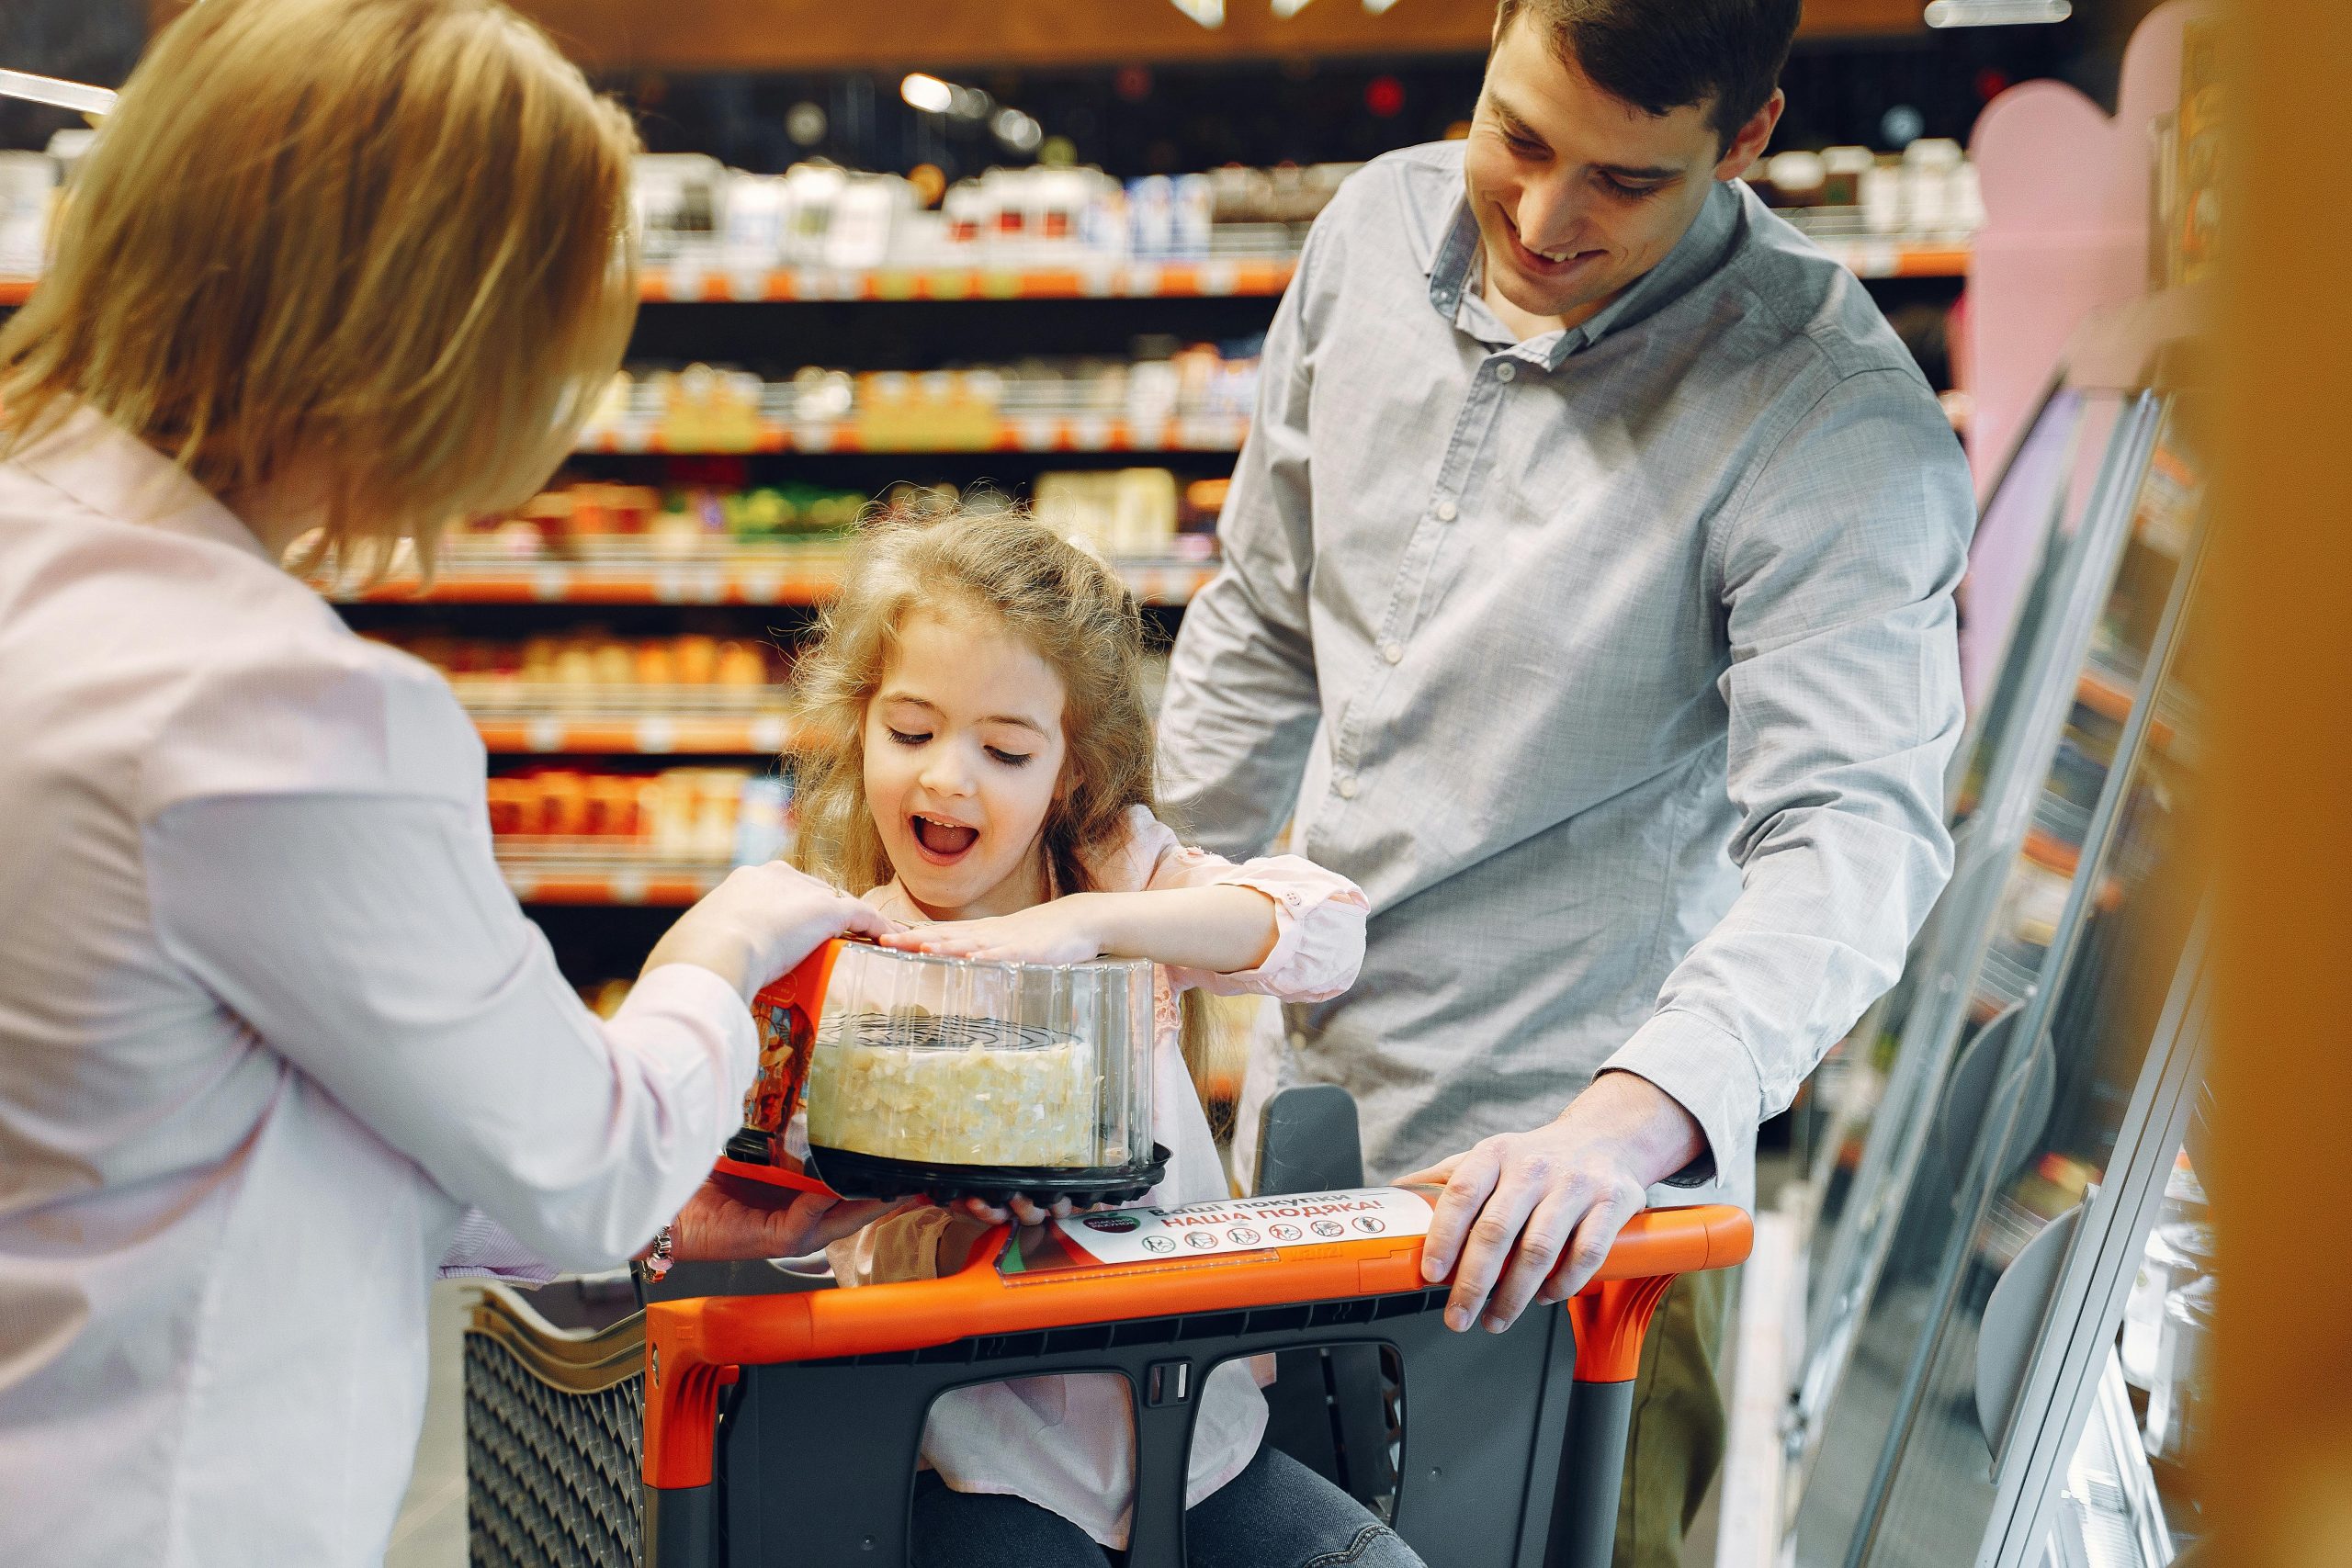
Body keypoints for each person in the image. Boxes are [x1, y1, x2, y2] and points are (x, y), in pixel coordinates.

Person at [0, 3, 903, 1562]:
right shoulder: (274, 709)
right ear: (425, 335)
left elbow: (179, 1115)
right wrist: (727, 942)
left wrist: (656, 1211)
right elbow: (592, 1160)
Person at [1155, 1, 1973, 1562]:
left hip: (1567, 1213)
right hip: (1302, 1146)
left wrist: (1624, 1122)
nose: (1540, 219)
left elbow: (1851, 834)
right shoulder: (1373, 230)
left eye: (1623, 181)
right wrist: (1107, 927)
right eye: (1517, 137)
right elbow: (1262, 619)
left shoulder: (1830, 416)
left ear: (1746, 141)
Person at [786, 504, 1405, 1568]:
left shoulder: (1119, 877)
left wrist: (1096, 923)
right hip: (983, 1460)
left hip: (1205, 1441)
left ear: (1068, 768)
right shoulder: (847, 955)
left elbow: (1327, 933)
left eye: (1005, 748)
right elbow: (829, 1241)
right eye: (911, 731)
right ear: (857, 729)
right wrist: (929, 1230)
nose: (947, 777)